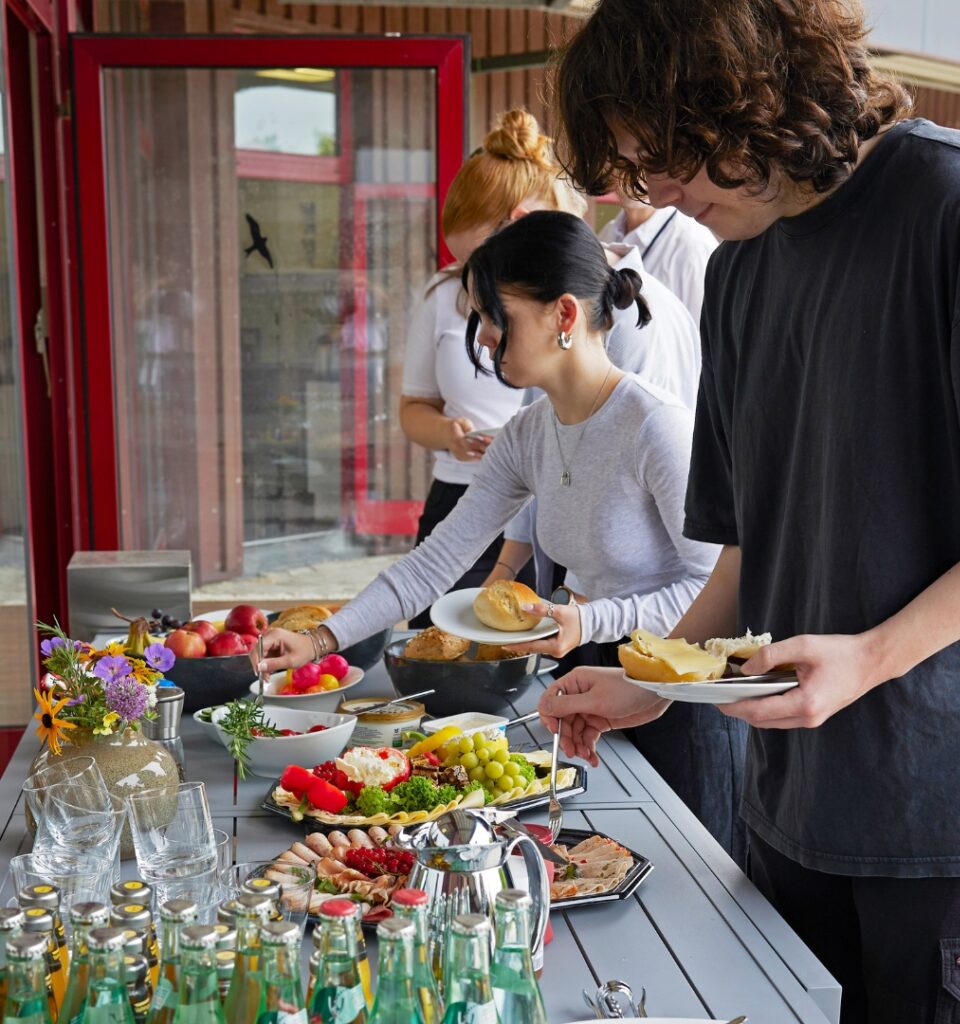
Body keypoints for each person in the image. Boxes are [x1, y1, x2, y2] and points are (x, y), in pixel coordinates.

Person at [536, 1, 960, 1021]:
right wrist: (650, 682)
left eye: (666, 152)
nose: (655, 190)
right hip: (786, 806)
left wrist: (870, 658)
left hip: (951, 825)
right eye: (634, 165)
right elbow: (749, 549)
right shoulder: (743, 269)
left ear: (750, 89)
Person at [260, 210, 720, 733]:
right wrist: (321, 639)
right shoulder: (527, 433)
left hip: (684, 690)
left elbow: (717, 586)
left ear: (564, 316)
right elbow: (433, 563)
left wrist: (594, 621)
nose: (482, 338)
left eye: (496, 316)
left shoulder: (656, 427)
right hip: (591, 671)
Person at [400, 109, 579, 626]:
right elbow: (414, 407)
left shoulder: (603, 307)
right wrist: (447, 434)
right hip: (470, 497)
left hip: (551, 509)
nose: (484, 337)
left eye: (478, 264)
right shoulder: (442, 296)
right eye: (462, 269)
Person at [598, 186, 718, 327]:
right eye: (623, 164)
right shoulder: (608, 234)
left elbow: (705, 336)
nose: (636, 176)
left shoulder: (693, 246)